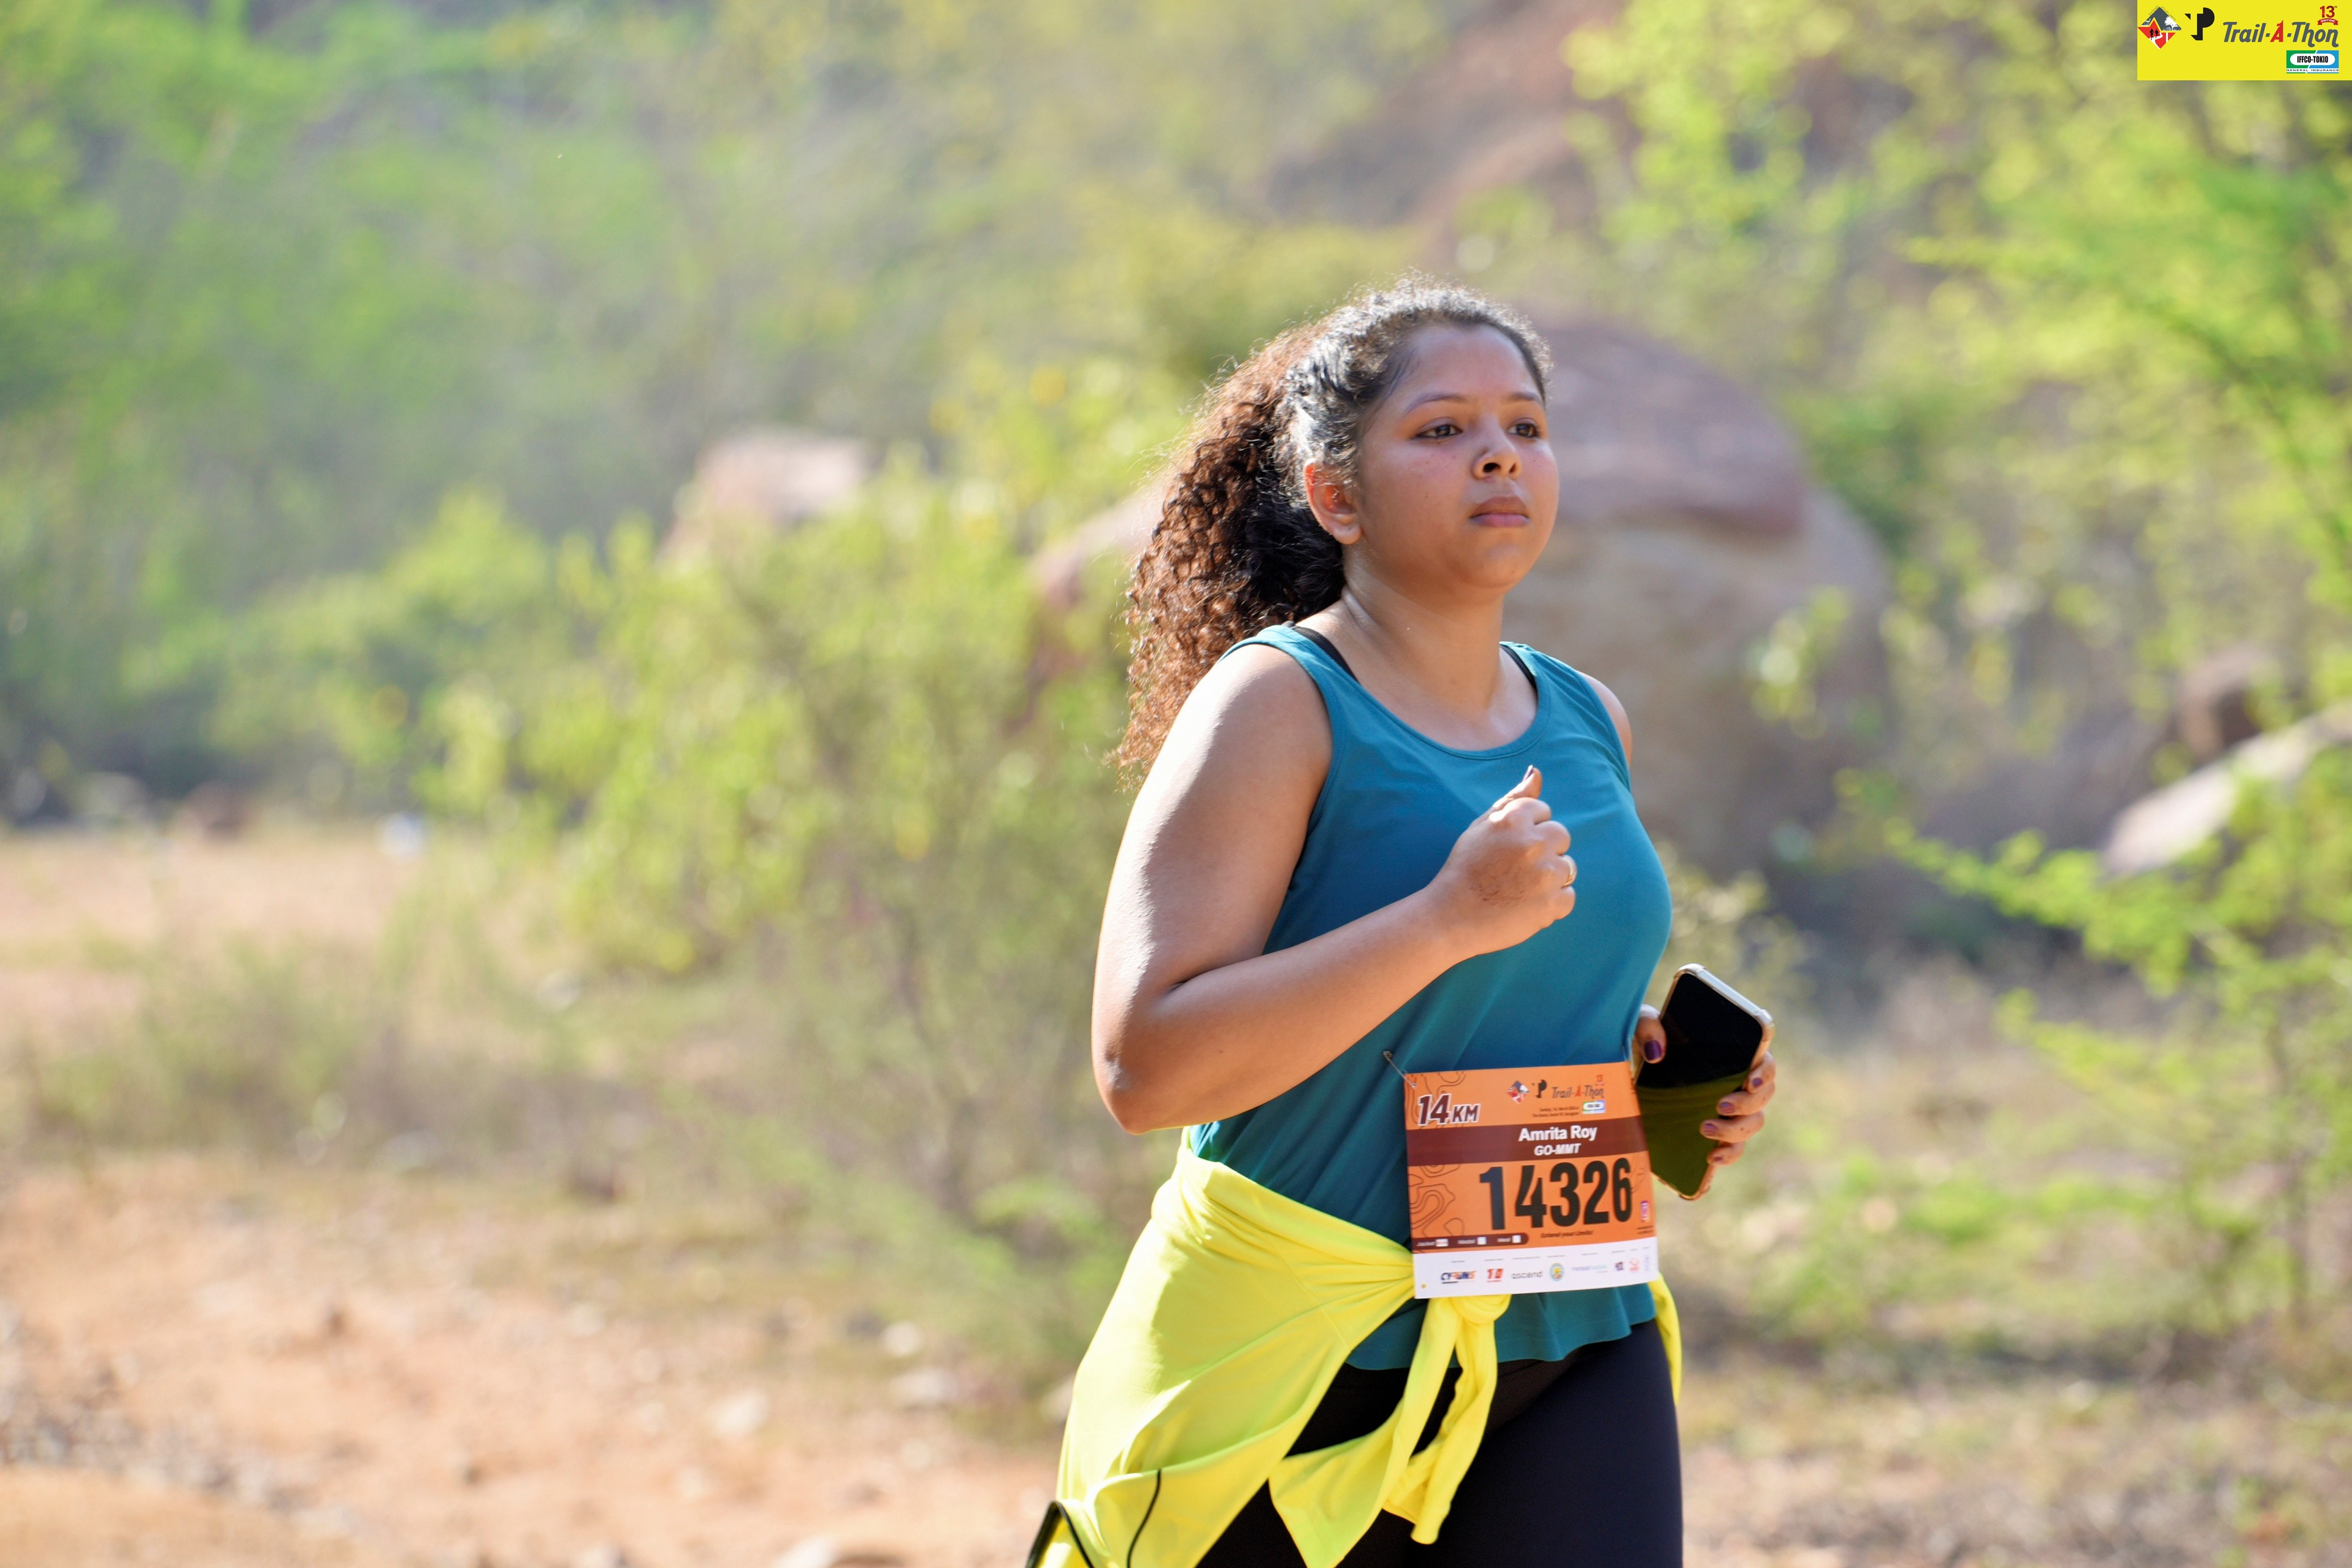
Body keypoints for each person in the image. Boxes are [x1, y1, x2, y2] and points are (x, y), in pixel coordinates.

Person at [1029, 280, 1779, 1568]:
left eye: (1525, 426)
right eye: (1441, 429)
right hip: (1305, 1351)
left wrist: (1639, 1067)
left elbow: (1496, 995)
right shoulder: (1275, 706)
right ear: (1336, 495)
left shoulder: (1587, 716)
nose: (1498, 454)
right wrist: (1441, 922)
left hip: (1571, 1323)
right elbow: (1142, 1066)